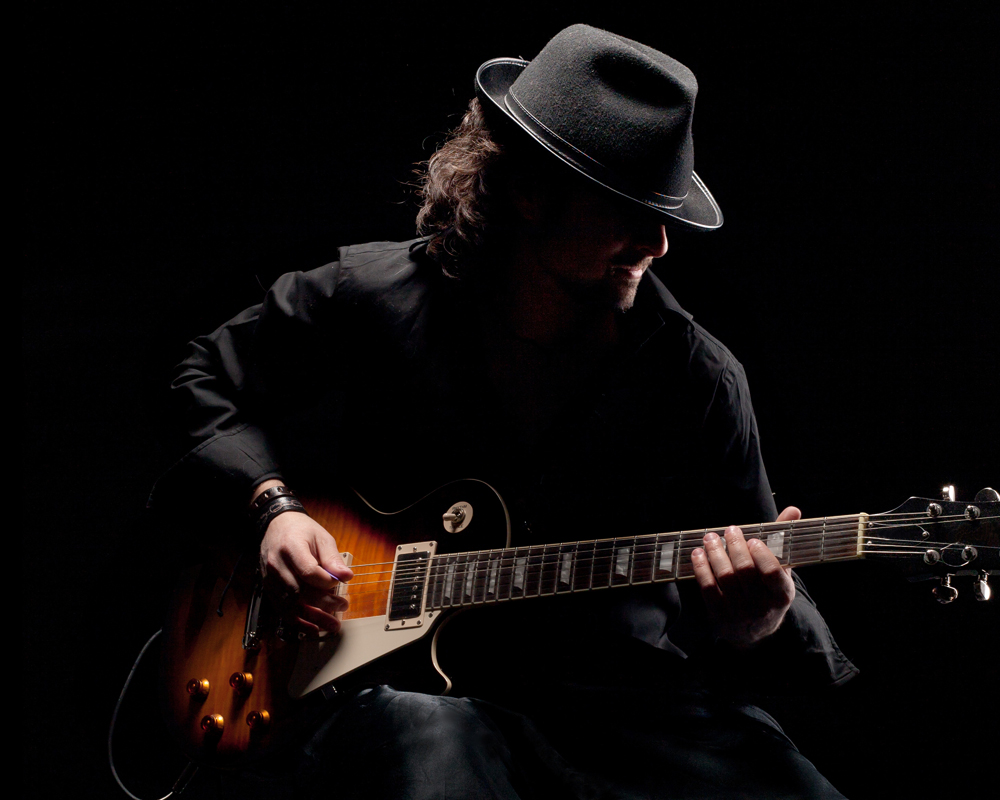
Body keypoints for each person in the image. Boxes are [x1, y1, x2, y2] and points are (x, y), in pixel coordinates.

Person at [158, 24, 857, 799]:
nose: (658, 242)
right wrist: (274, 511)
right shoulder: (377, 295)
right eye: (627, 208)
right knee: (426, 741)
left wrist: (756, 623)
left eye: (663, 213)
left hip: (624, 711)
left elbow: (754, 577)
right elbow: (199, 376)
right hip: (412, 703)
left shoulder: (698, 379)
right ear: (528, 191)